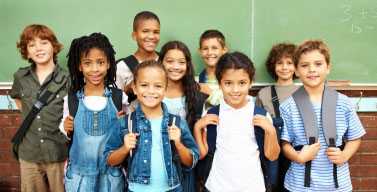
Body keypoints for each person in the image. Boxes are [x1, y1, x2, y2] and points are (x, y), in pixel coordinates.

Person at [280, 40, 366, 191]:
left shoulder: (343, 103)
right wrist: (299, 157)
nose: (311, 70)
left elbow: (355, 137)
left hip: (338, 185)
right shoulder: (288, 106)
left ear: (328, 68)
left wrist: (345, 155)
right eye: (304, 65)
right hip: (300, 186)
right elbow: (285, 144)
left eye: (318, 64)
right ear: (297, 71)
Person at [105, 60, 199, 192]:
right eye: (144, 85)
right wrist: (125, 148)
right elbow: (109, 160)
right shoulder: (125, 123)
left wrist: (178, 144)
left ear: (165, 89)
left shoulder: (176, 123)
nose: (151, 91)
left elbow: (191, 162)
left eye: (158, 86)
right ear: (135, 88)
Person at [194, 52, 280, 192]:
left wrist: (270, 130)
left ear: (250, 83)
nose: (235, 90)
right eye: (228, 83)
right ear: (220, 83)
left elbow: (272, 155)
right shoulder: (211, 113)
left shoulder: (261, 115)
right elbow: (202, 154)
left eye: (242, 83)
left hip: (253, 187)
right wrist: (198, 127)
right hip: (217, 186)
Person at [62, 32, 127, 191]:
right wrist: (66, 128)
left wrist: (123, 124)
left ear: (109, 64)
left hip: (111, 176)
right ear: (79, 66)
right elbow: (66, 131)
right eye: (88, 63)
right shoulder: (71, 100)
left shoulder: (119, 98)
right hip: (79, 178)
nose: (95, 69)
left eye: (100, 62)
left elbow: (127, 131)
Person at [10, 24, 69, 192]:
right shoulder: (20, 77)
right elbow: (19, 101)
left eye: (43, 42)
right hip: (29, 153)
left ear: (53, 46)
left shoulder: (67, 79)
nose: (38, 48)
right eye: (31, 45)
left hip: (58, 152)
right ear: (26, 51)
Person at [159, 40, 208, 191]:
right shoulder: (151, 94)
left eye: (181, 62)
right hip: (156, 164)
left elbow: (201, 140)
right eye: (169, 61)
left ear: (187, 66)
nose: (175, 66)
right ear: (160, 63)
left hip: (185, 166)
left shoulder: (198, 97)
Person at [255, 42, 298, 192]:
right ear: (273, 66)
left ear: (297, 66)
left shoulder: (305, 91)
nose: (284, 67)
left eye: (289, 63)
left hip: (297, 149)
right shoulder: (264, 93)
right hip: (271, 148)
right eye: (280, 63)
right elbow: (257, 125)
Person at [115, 10, 160, 103]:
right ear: (134, 35)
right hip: (132, 116)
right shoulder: (122, 67)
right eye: (145, 31)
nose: (151, 36)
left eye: (156, 32)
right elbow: (114, 102)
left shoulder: (166, 61)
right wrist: (129, 90)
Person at [197, 29, 228, 107]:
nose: (209, 52)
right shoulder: (197, 81)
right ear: (200, 51)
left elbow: (233, 102)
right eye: (205, 49)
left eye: (214, 48)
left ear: (224, 50)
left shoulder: (232, 78)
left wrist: (210, 93)